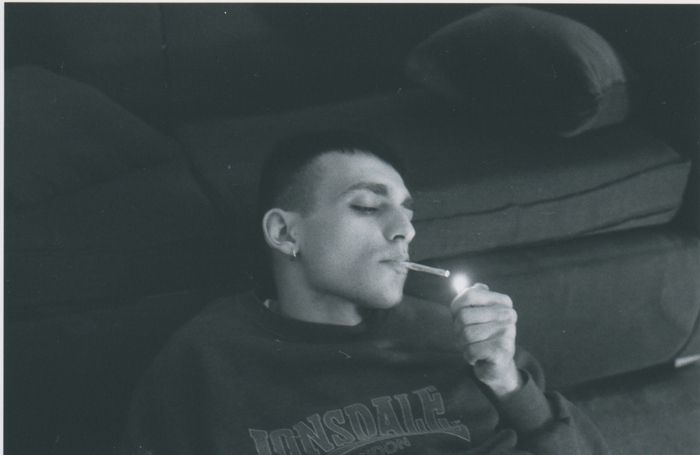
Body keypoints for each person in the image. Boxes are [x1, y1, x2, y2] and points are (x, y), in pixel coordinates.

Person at [121, 130, 610, 455]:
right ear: (285, 233)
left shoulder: (454, 334)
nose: (405, 230)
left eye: (408, 213)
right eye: (367, 207)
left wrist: (505, 380)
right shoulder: (205, 358)